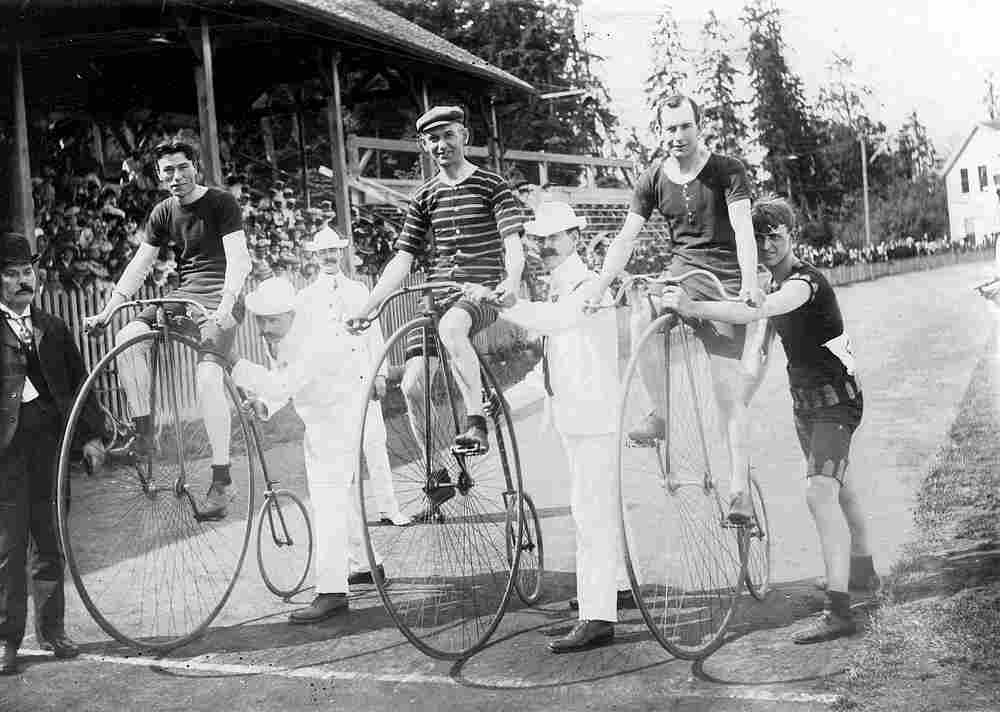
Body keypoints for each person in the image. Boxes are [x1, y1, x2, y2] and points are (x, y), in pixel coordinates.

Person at [658, 196, 880, 644]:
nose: (767, 245)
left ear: (791, 235)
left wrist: (694, 307)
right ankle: (863, 573)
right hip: (807, 405)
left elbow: (759, 311)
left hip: (837, 404)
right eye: (758, 238)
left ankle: (839, 611)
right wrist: (737, 398)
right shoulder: (772, 286)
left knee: (819, 494)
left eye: (774, 236)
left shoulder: (804, 284)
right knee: (842, 489)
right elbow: (757, 351)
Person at [583, 93, 767, 523]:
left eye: (686, 126)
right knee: (640, 311)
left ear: (700, 126)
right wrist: (600, 285)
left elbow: (743, 229)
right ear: (659, 131)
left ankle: (739, 491)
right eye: (670, 128)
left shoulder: (727, 170)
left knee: (728, 395)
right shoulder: (651, 179)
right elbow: (626, 238)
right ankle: (660, 414)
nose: (678, 135)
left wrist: (748, 284)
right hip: (681, 273)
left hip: (724, 282)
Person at [465, 202, 634, 653]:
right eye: (538, 239)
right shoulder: (562, 288)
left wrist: (504, 304)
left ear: (575, 237)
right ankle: (616, 587)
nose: (544, 246)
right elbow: (551, 367)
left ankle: (597, 616)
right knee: (598, 509)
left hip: (594, 418)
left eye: (554, 237)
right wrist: (507, 399)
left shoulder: (589, 286)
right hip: (579, 417)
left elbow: (555, 322)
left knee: (591, 515)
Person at [84, 140, 252, 519]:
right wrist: (107, 312)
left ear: (196, 167)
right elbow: (140, 265)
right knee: (127, 337)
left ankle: (222, 481)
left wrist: (225, 307)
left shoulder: (221, 203)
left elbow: (239, 261)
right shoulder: (163, 212)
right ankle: (145, 434)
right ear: (160, 177)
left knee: (208, 379)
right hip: (184, 293)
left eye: (182, 167)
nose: (176, 177)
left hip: (221, 295)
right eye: (168, 171)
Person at [348, 106, 525, 463]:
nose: (441, 144)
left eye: (448, 135)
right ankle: (437, 470)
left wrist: (512, 280)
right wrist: (367, 307)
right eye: (433, 139)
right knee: (412, 385)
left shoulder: (492, 185)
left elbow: (512, 243)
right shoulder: (425, 196)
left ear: (464, 136)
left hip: (481, 290)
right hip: (437, 293)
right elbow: (402, 260)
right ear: (424, 145)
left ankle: (476, 424)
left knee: (453, 327)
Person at [232, 277, 386, 623]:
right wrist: (265, 405)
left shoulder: (314, 339)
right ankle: (367, 565)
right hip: (323, 418)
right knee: (337, 494)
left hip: (340, 415)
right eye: (260, 321)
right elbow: (284, 384)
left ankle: (332, 592)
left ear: (291, 314)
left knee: (328, 501)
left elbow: (283, 383)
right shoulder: (285, 338)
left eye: (272, 321)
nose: (265, 329)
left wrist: (235, 364)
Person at [0, 233, 106, 675]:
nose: (22, 281)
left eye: (27, 272)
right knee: (7, 548)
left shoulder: (54, 328)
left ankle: (52, 630)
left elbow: (81, 385)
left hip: (51, 449)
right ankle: (6, 640)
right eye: (11, 274)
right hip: (6, 455)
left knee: (50, 540)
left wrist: (91, 437)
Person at [298, 226, 409, 526]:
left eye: (333, 251)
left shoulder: (359, 290)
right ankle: (348, 518)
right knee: (340, 453)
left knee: (375, 443)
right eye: (323, 252)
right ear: (315, 257)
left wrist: (380, 375)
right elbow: (305, 344)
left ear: (341, 253)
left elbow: (374, 334)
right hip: (331, 385)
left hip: (362, 378)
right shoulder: (306, 297)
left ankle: (389, 509)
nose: (328, 256)